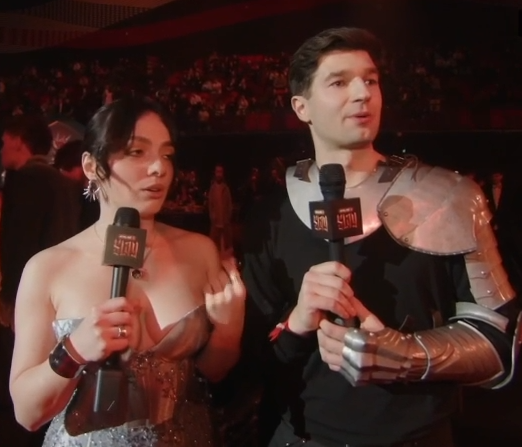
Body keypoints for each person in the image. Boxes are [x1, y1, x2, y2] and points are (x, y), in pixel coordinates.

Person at [241, 27, 521, 447]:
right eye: (339, 82)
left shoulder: (448, 197)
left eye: (370, 80)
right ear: (302, 107)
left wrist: (405, 355)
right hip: (303, 437)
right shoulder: (271, 216)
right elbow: (254, 359)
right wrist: (296, 323)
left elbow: (500, 343)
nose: (363, 94)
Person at [9, 96, 246, 446]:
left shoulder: (199, 251)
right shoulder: (47, 267)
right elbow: (28, 413)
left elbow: (213, 371)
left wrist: (228, 330)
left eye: (167, 155)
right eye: (137, 152)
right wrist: (75, 350)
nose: (159, 168)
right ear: (92, 165)